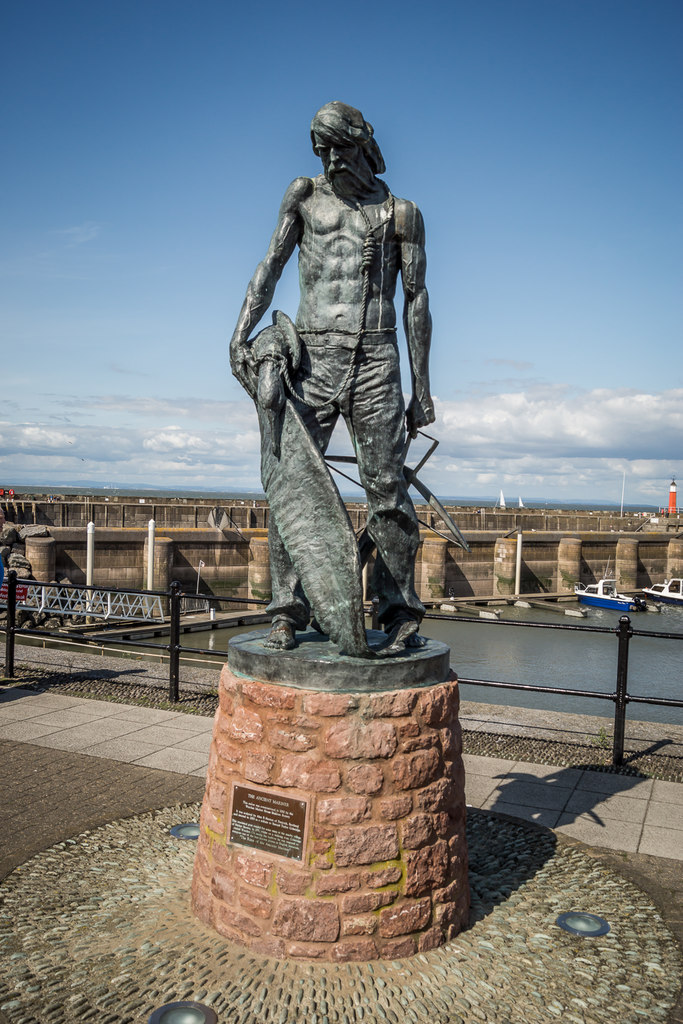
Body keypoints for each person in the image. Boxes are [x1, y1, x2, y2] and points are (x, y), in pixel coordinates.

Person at [230, 101, 435, 651]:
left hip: (376, 358)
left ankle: (399, 614)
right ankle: (287, 612)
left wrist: (424, 387)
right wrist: (240, 333)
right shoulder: (304, 194)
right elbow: (269, 266)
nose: (329, 158)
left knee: (388, 491)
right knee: (291, 486)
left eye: (338, 147)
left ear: (362, 143)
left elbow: (416, 300)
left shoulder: (403, 213)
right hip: (311, 355)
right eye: (321, 150)